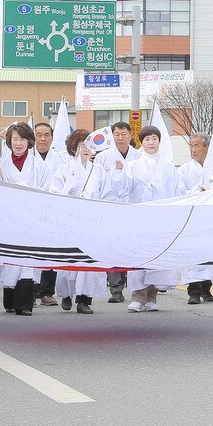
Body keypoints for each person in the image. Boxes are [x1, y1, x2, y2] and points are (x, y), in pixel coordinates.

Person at [0, 123, 48, 316]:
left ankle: (25, 304)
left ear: (29, 141)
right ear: (10, 141)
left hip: (31, 217)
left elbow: (46, 189)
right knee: (11, 258)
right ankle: (10, 301)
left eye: (22, 139)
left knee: (27, 260)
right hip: (9, 218)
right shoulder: (1, 164)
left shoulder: (38, 165)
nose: (19, 143)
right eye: (15, 139)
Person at [48, 129, 109, 314]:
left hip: (91, 222)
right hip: (70, 222)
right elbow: (55, 192)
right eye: (82, 145)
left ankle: (84, 300)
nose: (86, 149)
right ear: (74, 147)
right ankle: (66, 294)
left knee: (88, 263)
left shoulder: (98, 171)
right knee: (69, 260)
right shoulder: (64, 170)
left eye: (89, 145)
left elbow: (107, 194)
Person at [122, 126, 181, 313]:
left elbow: (177, 191)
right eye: (147, 139)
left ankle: (152, 297)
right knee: (140, 257)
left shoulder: (168, 167)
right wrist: (119, 172)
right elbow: (124, 189)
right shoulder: (133, 166)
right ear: (141, 142)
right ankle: (138, 296)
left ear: (159, 141)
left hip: (161, 218)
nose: (151, 142)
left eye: (154, 138)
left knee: (157, 257)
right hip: (140, 218)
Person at [94, 121, 138, 302]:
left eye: (124, 134)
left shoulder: (138, 156)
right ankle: (116, 290)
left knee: (130, 248)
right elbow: (97, 181)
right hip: (110, 207)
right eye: (117, 134)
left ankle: (132, 284)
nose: (120, 138)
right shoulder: (103, 157)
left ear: (130, 135)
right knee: (113, 247)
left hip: (132, 208)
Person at [32, 121, 68, 306]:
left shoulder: (61, 159)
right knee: (32, 251)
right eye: (39, 135)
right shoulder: (28, 158)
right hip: (31, 211)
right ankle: (31, 291)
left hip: (53, 211)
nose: (43, 138)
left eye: (46, 135)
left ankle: (47, 292)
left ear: (52, 138)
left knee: (50, 252)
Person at [179, 133, 213, 304]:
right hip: (192, 217)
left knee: (208, 253)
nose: (193, 150)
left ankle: (206, 288)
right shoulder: (184, 170)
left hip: (210, 217)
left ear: (206, 147)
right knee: (192, 255)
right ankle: (193, 291)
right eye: (191, 146)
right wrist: (196, 192)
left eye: (196, 146)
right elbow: (180, 192)